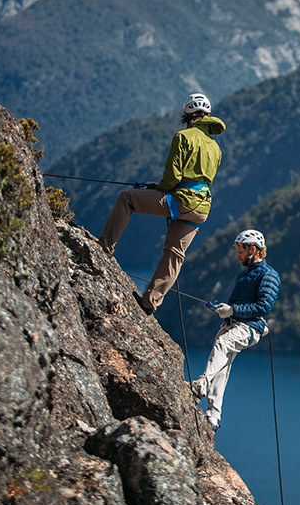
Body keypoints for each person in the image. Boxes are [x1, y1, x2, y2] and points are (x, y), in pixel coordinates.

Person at [98, 92, 225, 313]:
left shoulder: (184, 137)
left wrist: (158, 189)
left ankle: (104, 248)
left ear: (188, 115)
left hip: (182, 199)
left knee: (127, 199)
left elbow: (173, 176)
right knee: (176, 252)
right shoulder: (216, 148)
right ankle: (150, 302)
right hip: (202, 207)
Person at [190, 229, 281, 430]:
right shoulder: (244, 275)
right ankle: (213, 416)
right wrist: (224, 310)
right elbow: (238, 304)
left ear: (253, 250)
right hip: (234, 324)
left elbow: (264, 307)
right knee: (222, 366)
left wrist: (232, 309)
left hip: (250, 328)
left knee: (223, 344)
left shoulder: (269, 275)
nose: (238, 256)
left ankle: (202, 385)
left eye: (241, 251)